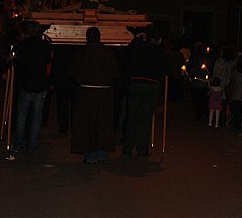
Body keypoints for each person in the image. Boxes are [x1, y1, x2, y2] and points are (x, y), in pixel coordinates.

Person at [70, 27, 119, 164]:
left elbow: (73, 72)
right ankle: (101, 153)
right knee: (103, 123)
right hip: (103, 93)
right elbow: (115, 73)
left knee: (88, 124)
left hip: (87, 93)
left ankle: (90, 155)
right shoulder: (108, 53)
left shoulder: (82, 53)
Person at [122, 27, 170, 157]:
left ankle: (127, 147)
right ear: (159, 40)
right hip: (151, 86)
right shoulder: (160, 52)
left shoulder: (137, 48)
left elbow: (126, 56)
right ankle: (142, 149)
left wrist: (136, 40)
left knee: (132, 116)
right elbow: (166, 69)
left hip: (135, 83)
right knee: (145, 118)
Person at [12, 21, 52, 155]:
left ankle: (18, 144)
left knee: (22, 115)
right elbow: (47, 60)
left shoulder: (22, 45)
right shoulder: (45, 45)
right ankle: (32, 146)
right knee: (36, 117)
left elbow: (16, 62)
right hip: (40, 84)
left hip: (26, 83)